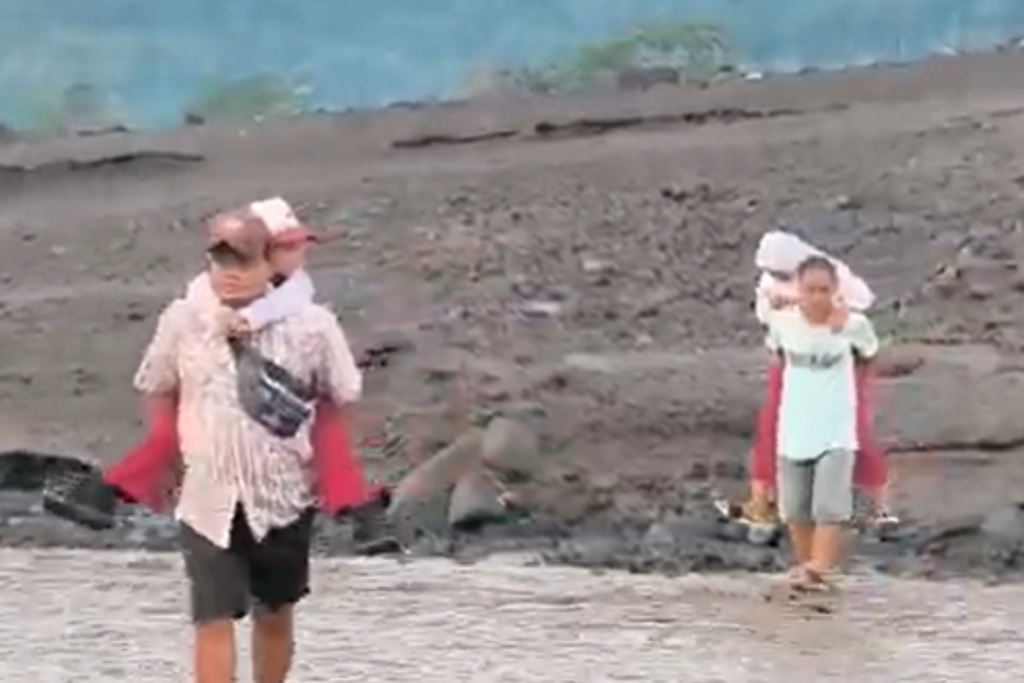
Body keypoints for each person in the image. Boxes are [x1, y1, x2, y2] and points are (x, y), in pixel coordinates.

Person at [136, 207, 362, 682]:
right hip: (206, 496)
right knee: (212, 618)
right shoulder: (183, 319)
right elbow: (156, 383)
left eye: (243, 262)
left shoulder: (313, 325)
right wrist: (163, 451)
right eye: (220, 261)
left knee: (276, 612)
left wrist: (331, 468)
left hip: (283, 493)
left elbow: (343, 393)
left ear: (270, 265)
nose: (231, 274)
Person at [97, 198, 398, 553]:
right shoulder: (209, 309)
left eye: (300, 244)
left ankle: (108, 496)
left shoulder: (290, 301)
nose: (299, 252)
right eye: (288, 246)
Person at [739, 231, 892, 528]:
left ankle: (877, 506)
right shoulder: (771, 282)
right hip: (795, 358)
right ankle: (762, 502)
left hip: (839, 360)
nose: (776, 276)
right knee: (772, 425)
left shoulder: (832, 277)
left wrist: (828, 309)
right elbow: (768, 317)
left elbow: (860, 308)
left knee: (855, 430)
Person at [765, 254, 880, 589]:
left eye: (823, 290)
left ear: (835, 290)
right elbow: (774, 353)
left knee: (829, 505)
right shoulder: (782, 323)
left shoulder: (853, 325)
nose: (817, 297)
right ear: (798, 290)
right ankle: (809, 570)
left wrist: (843, 327)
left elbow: (871, 354)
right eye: (810, 289)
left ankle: (820, 568)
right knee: (796, 507)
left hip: (835, 430)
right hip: (794, 427)